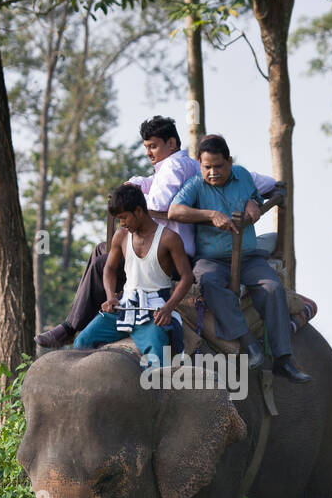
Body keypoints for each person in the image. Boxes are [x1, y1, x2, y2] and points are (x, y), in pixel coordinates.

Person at [36, 116, 200, 349]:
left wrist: (130, 198)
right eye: (146, 147)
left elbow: (159, 202)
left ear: (171, 143)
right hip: (156, 242)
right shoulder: (180, 164)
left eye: (153, 146)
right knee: (102, 252)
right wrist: (133, 185)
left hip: (167, 249)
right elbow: (151, 182)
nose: (148, 153)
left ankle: (71, 326)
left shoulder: (175, 166)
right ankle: (83, 318)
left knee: (102, 261)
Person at [167, 134, 311, 383]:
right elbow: (174, 210)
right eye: (207, 167)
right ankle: (246, 342)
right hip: (212, 259)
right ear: (200, 164)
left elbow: (256, 196)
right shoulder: (194, 186)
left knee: (272, 286)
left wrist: (254, 204)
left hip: (248, 256)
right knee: (209, 283)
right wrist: (210, 214)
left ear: (230, 162)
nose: (212, 172)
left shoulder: (243, 175)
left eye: (218, 166)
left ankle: (283, 358)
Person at [72, 183, 193, 365]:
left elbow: (187, 277)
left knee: (157, 361)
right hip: (123, 307)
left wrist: (168, 308)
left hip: (154, 310)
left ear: (138, 211)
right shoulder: (121, 236)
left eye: (124, 218)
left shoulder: (169, 238)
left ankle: (158, 392)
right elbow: (109, 269)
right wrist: (111, 297)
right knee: (81, 343)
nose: (122, 223)